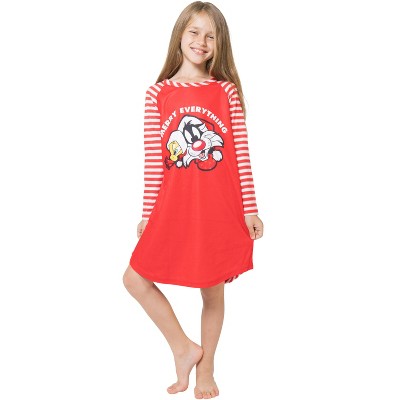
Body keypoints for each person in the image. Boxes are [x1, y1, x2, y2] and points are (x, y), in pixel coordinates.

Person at [122, 1, 264, 398]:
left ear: (220, 44)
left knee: (213, 289)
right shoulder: (157, 93)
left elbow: (240, 154)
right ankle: (183, 348)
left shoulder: (225, 91)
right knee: (134, 278)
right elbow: (154, 161)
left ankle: (207, 369)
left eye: (210, 36)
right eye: (194, 32)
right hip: (174, 207)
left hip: (219, 207)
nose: (201, 41)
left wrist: (250, 209)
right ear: (180, 35)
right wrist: (148, 214)